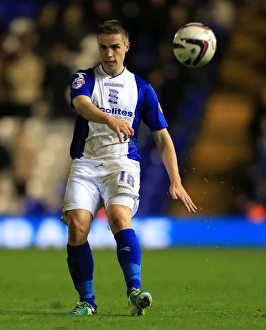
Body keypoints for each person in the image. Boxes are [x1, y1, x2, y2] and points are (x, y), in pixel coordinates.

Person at [61, 19, 197, 317]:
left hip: (122, 162)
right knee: (76, 227)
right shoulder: (83, 78)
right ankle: (87, 301)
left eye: (114, 47)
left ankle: (134, 290)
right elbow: (82, 105)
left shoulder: (142, 88)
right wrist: (110, 120)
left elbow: (162, 137)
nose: (108, 54)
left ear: (126, 47)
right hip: (85, 163)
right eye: (102, 47)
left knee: (119, 216)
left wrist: (175, 179)